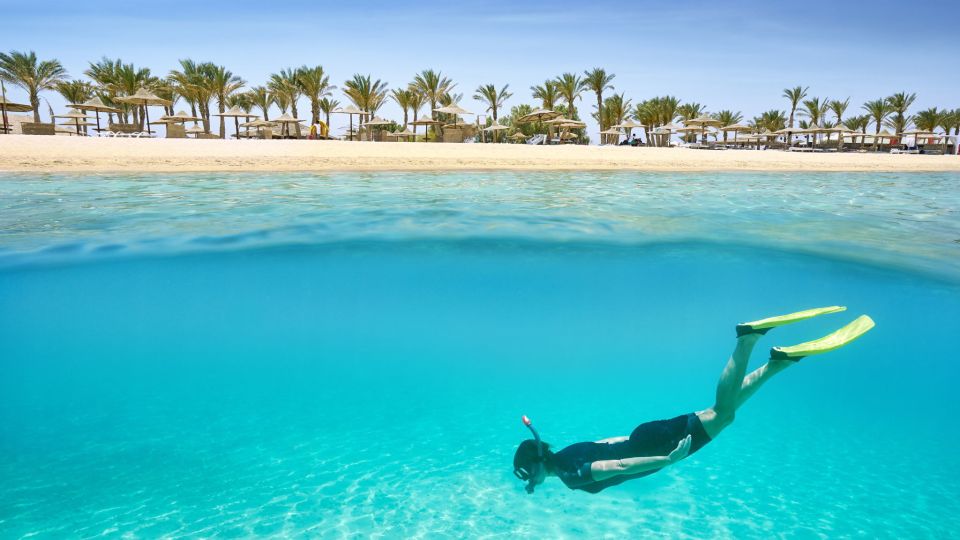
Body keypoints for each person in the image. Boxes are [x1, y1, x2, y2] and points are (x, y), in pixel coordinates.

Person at [513, 306, 875, 494]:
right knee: (724, 415)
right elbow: (609, 444)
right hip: (642, 437)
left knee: (720, 412)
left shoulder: (570, 476)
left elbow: (617, 467)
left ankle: (747, 339)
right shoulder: (567, 453)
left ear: (533, 469)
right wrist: (647, 449)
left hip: (655, 446)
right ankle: (779, 362)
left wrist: (665, 460)